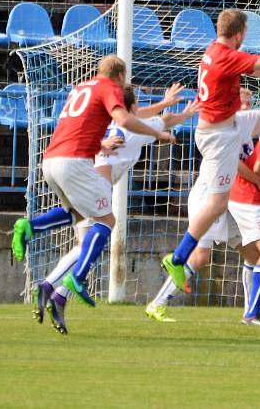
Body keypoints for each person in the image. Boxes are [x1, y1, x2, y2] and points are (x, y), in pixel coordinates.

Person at [10, 56, 176, 326]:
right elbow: (125, 118)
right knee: (106, 221)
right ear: (120, 76)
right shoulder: (109, 87)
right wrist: (160, 134)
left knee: (75, 214)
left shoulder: (81, 88)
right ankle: (75, 278)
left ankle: (32, 230)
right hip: (77, 164)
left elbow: (76, 128)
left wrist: (100, 146)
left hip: (51, 160)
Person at [161, 9, 260, 292]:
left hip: (227, 125)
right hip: (219, 136)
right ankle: (179, 258)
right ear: (240, 33)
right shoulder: (225, 55)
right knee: (217, 204)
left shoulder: (216, 51)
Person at [31, 85, 196, 333]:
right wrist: (184, 114)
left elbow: (145, 115)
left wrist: (165, 103)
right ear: (132, 106)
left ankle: (59, 297)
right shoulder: (133, 130)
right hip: (96, 185)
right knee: (85, 245)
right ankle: (49, 286)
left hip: (86, 179)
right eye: (137, 102)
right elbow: (163, 121)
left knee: (85, 247)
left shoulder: (112, 119)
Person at [146, 89, 260, 325]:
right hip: (208, 196)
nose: (247, 107)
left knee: (253, 253)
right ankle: (158, 304)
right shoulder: (226, 130)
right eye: (243, 103)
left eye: (250, 103)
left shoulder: (245, 131)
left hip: (230, 199)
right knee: (201, 256)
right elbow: (236, 164)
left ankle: (251, 313)